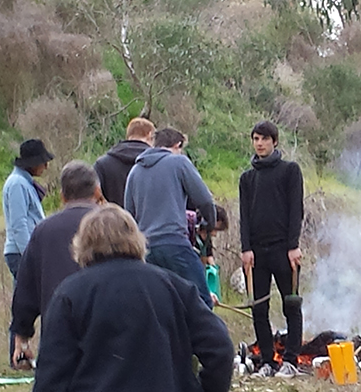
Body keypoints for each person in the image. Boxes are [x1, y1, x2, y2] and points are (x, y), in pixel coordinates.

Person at [32, 204, 234, 392]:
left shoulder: (69, 295)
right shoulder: (175, 287)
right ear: (137, 239)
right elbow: (220, 348)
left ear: (82, 245)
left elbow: (51, 375)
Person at [9, 161, 103, 369]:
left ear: (62, 196)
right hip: (106, 326)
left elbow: (26, 289)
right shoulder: (112, 225)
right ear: (97, 191)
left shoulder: (44, 230)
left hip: (58, 327)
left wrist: (22, 336)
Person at [240, 121, 304, 378]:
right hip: (257, 253)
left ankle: (290, 361)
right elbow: (244, 215)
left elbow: (295, 210)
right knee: (259, 309)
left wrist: (293, 246)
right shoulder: (247, 177)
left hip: (283, 249)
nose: (260, 143)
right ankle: (268, 361)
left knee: (291, 305)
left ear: (275, 142)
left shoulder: (290, 171)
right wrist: (245, 249)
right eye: (256, 138)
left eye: (265, 139)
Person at [124, 127, 216, 308]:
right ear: (177, 145)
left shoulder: (135, 171)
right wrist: (209, 223)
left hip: (146, 249)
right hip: (174, 243)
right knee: (201, 300)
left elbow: (129, 215)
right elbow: (204, 200)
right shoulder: (178, 162)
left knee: (160, 304)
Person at [2, 138, 54, 366]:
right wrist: (30, 255)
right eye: (42, 162)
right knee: (23, 302)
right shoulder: (16, 185)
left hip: (28, 251)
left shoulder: (24, 183)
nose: (45, 166)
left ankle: (23, 355)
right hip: (21, 253)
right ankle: (18, 356)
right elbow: (19, 224)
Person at [93, 117, 155, 206]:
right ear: (149, 135)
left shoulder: (103, 164)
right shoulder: (158, 163)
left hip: (112, 218)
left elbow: (93, 195)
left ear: (128, 135)